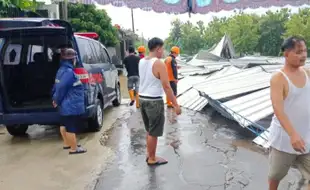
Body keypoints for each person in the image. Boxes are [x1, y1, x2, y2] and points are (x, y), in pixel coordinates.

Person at [268, 36, 310, 189]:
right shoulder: (278, 78)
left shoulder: (307, 73)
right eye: (299, 52)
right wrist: (293, 134)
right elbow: (278, 109)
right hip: (284, 141)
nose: (304, 55)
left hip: (306, 139)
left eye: (305, 51)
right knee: (275, 176)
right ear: (286, 54)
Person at [139, 37, 182, 166]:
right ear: (158, 49)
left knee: (149, 130)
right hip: (153, 101)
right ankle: (152, 158)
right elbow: (167, 86)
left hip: (142, 99)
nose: (163, 51)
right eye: (162, 48)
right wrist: (175, 105)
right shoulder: (158, 63)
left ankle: (150, 154)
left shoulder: (141, 61)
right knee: (154, 131)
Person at [52, 48, 86, 155]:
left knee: (64, 123)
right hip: (70, 103)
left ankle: (68, 143)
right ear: (72, 59)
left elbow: (56, 86)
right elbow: (62, 87)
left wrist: (55, 99)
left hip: (65, 103)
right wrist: (57, 100)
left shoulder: (60, 70)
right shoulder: (69, 72)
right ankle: (74, 148)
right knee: (71, 126)